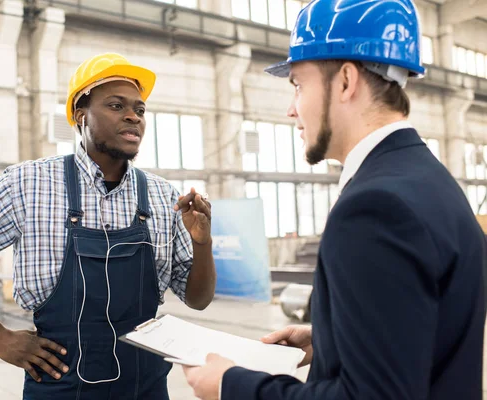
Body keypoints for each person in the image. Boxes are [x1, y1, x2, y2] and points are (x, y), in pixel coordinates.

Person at [182, 0, 486, 399]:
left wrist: (230, 385)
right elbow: (424, 341)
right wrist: (332, 340)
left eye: (298, 84)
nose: (291, 109)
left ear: (345, 81)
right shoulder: (431, 181)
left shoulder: (375, 208)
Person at [0, 53, 217, 399]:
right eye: (116, 106)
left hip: (145, 388)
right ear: (80, 115)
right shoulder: (29, 184)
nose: (133, 116)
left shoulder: (163, 196)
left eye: (140, 109)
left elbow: (198, 299)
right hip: (60, 387)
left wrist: (202, 243)